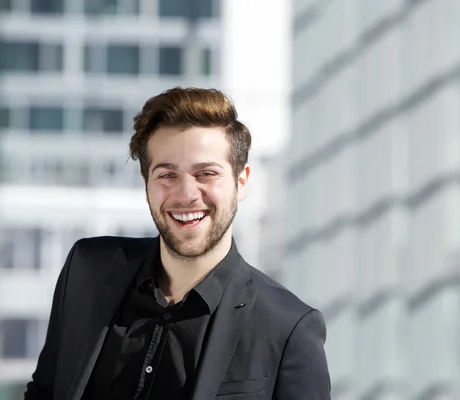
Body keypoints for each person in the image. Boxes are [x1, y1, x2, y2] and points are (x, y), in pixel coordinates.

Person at [24, 87, 331, 400]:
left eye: (206, 173)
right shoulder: (87, 270)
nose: (186, 195)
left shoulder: (288, 327)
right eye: (167, 175)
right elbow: (44, 392)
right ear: (146, 184)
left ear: (241, 183)